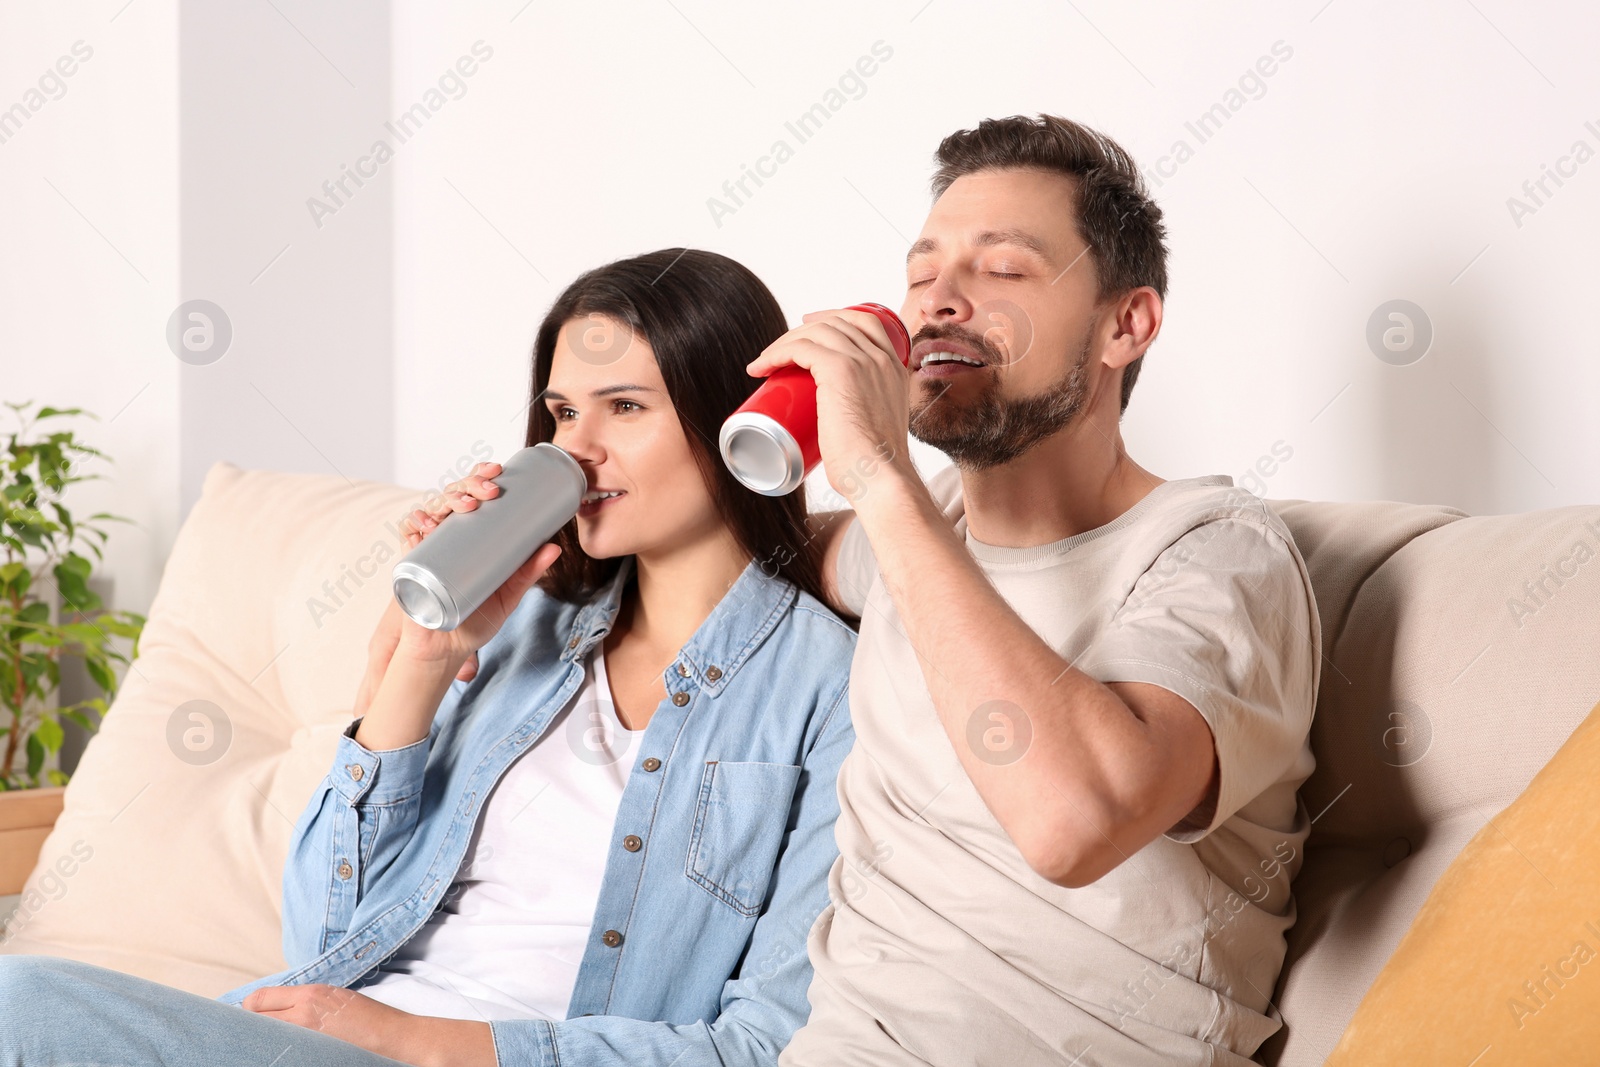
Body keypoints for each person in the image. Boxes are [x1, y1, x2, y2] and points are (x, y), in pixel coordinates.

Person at [0, 249, 858, 1067]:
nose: (576, 448)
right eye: (562, 412)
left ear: (731, 420)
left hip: (452, 1054)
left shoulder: (828, 689)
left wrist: (420, 1041)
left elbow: (761, 1044)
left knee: (20, 1006)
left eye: (624, 407)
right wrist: (421, 660)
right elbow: (325, 942)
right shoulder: (521, 628)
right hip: (324, 1038)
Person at [750, 115, 1321, 1065]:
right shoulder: (918, 533)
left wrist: (879, 480)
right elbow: (760, 553)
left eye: (1002, 270)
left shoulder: (1216, 554)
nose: (938, 304)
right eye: (922, 273)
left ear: (1123, 325)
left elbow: (1073, 823)